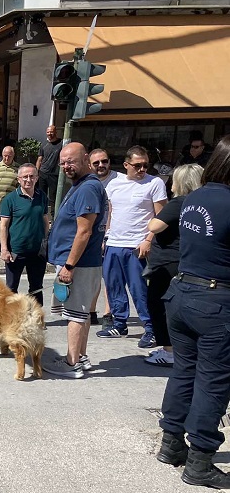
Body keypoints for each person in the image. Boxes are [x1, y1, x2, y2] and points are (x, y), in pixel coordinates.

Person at [155, 134, 230, 489]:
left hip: (181, 293)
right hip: (215, 301)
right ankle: (200, 459)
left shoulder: (194, 197)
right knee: (213, 381)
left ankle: (171, 444)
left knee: (185, 372)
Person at [43, 142, 107, 379]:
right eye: (63, 162)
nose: (66, 166)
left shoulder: (88, 189)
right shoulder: (82, 186)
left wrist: (69, 266)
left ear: (86, 158)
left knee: (75, 314)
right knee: (80, 313)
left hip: (79, 264)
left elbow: (84, 231)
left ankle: (72, 364)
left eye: (71, 160)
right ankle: (79, 356)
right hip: (81, 262)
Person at [97, 145, 168, 348]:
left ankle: (151, 328)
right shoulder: (115, 184)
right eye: (137, 165)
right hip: (114, 243)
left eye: (145, 165)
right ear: (127, 165)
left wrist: (148, 240)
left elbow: (161, 216)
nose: (142, 169)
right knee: (113, 286)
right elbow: (111, 212)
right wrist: (105, 238)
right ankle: (119, 323)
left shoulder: (154, 183)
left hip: (137, 245)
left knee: (139, 290)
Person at [143, 163, 204, 367]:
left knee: (158, 305)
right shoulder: (201, 204)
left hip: (168, 263)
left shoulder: (179, 202)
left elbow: (155, 225)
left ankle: (169, 351)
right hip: (186, 261)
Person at [0, 163, 49, 305]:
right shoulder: (10, 199)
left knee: (36, 288)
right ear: (18, 179)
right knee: (11, 288)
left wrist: (46, 242)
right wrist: (4, 249)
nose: (28, 180)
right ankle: (10, 319)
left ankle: (36, 319)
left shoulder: (42, 197)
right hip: (16, 251)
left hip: (37, 252)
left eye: (32, 176)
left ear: (37, 178)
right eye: (25, 177)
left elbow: (46, 221)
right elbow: (4, 226)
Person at [87, 148, 119, 327]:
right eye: (96, 163)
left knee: (110, 276)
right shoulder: (87, 182)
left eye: (104, 161)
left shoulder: (120, 181)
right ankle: (91, 311)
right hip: (91, 235)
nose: (101, 165)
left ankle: (109, 312)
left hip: (113, 235)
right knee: (93, 276)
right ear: (90, 165)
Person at [36, 125, 63, 209]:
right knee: (41, 195)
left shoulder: (62, 144)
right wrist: (36, 172)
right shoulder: (43, 145)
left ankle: (53, 218)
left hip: (54, 174)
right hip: (42, 173)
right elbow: (39, 159)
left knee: (53, 198)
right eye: (48, 132)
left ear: (55, 132)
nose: (49, 134)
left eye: (51, 132)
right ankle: (41, 215)